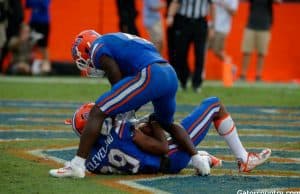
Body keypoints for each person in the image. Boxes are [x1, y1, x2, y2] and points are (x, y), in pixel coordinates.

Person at [61, 30, 207, 178]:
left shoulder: (97, 48)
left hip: (152, 73)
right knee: (166, 122)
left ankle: (78, 164)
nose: (88, 64)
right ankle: (197, 157)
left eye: (84, 60)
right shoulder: (120, 41)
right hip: (167, 72)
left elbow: (115, 77)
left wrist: (118, 109)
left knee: (99, 110)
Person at [49, 97, 271, 177]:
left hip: (153, 163)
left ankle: (202, 155)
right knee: (213, 104)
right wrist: (154, 123)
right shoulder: (120, 131)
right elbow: (163, 146)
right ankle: (244, 159)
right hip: (171, 156)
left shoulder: (90, 161)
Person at [166, 0, 215, 92]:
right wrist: (170, 16)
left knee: (200, 54)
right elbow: (175, 2)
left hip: (200, 22)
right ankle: (182, 81)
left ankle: (197, 84)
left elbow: (212, 5)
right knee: (181, 53)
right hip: (184, 21)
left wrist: (212, 25)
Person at [240, 0, 282, 82]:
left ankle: (258, 76)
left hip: (265, 26)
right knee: (246, 52)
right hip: (251, 25)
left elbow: (279, 2)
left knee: (262, 53)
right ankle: (243, 75)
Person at [25, 0, 51, 75]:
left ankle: (46, 66)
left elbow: (45, 5)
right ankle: (29, 66)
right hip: (33, 22)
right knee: (31, 44)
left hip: (43, 22)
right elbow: (28, 4)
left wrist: (35, 3)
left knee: (43, 45)